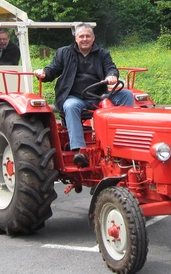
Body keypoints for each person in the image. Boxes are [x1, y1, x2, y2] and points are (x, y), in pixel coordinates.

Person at [33, 23, 134, 168]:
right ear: (76, 38)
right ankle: (80, 150)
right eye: (81, 36)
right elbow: (53, 69)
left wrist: (112, 75)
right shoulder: (64, 53)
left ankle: (125, 140)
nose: (85, 39)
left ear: (93, 38)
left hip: (99, 96)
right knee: (71, 105)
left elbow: (111, 68)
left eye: (88, 36)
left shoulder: (102, 53)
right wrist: (44, 73)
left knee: (126, 95)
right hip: (75, 97)